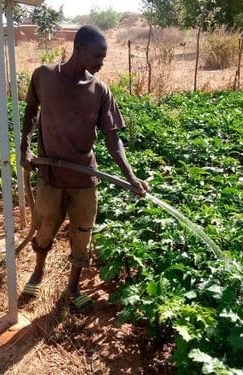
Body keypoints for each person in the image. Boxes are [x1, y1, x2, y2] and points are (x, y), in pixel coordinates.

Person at [20, 25, 149, 311]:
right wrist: (24, 147)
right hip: (50, 176)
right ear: (77, 49)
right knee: (44, 230)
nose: (101, 63)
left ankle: (73, 287)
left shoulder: (100, 91)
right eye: (97, 56)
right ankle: (39, 270)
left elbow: (113, 141)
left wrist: (131, 177)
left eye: (104, 57)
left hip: (84, 179)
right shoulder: (43, 76)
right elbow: (30, 111)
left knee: (82, 235)